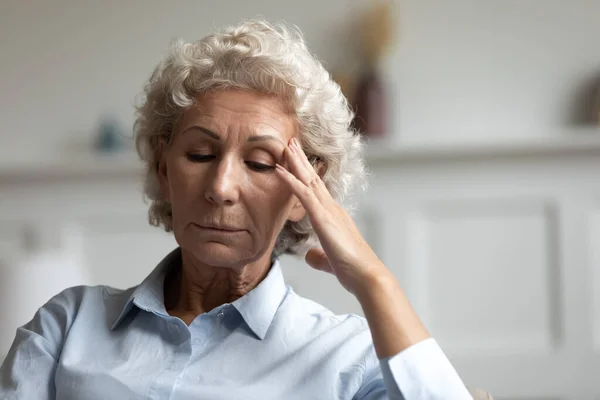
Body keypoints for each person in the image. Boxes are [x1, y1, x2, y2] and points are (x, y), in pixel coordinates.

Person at [0, 20, 478, 399]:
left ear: (303, 193)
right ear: (164, 171)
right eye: (200, 155)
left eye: (260, 162)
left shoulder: (346, 358)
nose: (221, 187)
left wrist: (376, 282)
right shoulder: (67, 325)